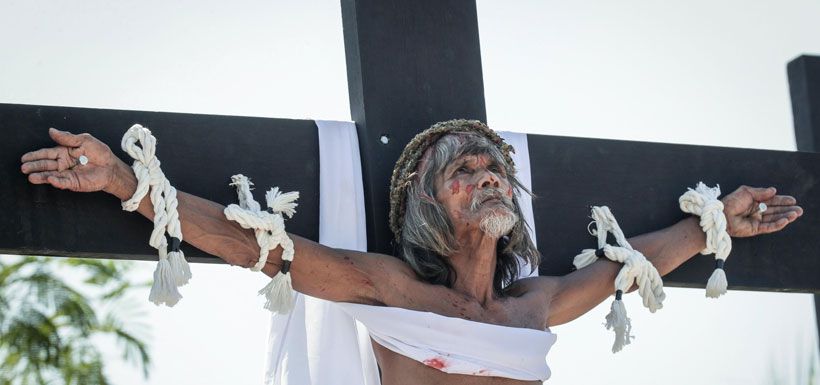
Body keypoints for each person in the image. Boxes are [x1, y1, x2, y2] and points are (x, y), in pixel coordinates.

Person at [20, 120, 803, 385]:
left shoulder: (534, 303)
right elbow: (260, 245)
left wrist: (714, 223)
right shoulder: (388, 286)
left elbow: (634, 263)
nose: (488, 173)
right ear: (429, 204)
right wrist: (129, 179)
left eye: (493, 166)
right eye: (463, 170)